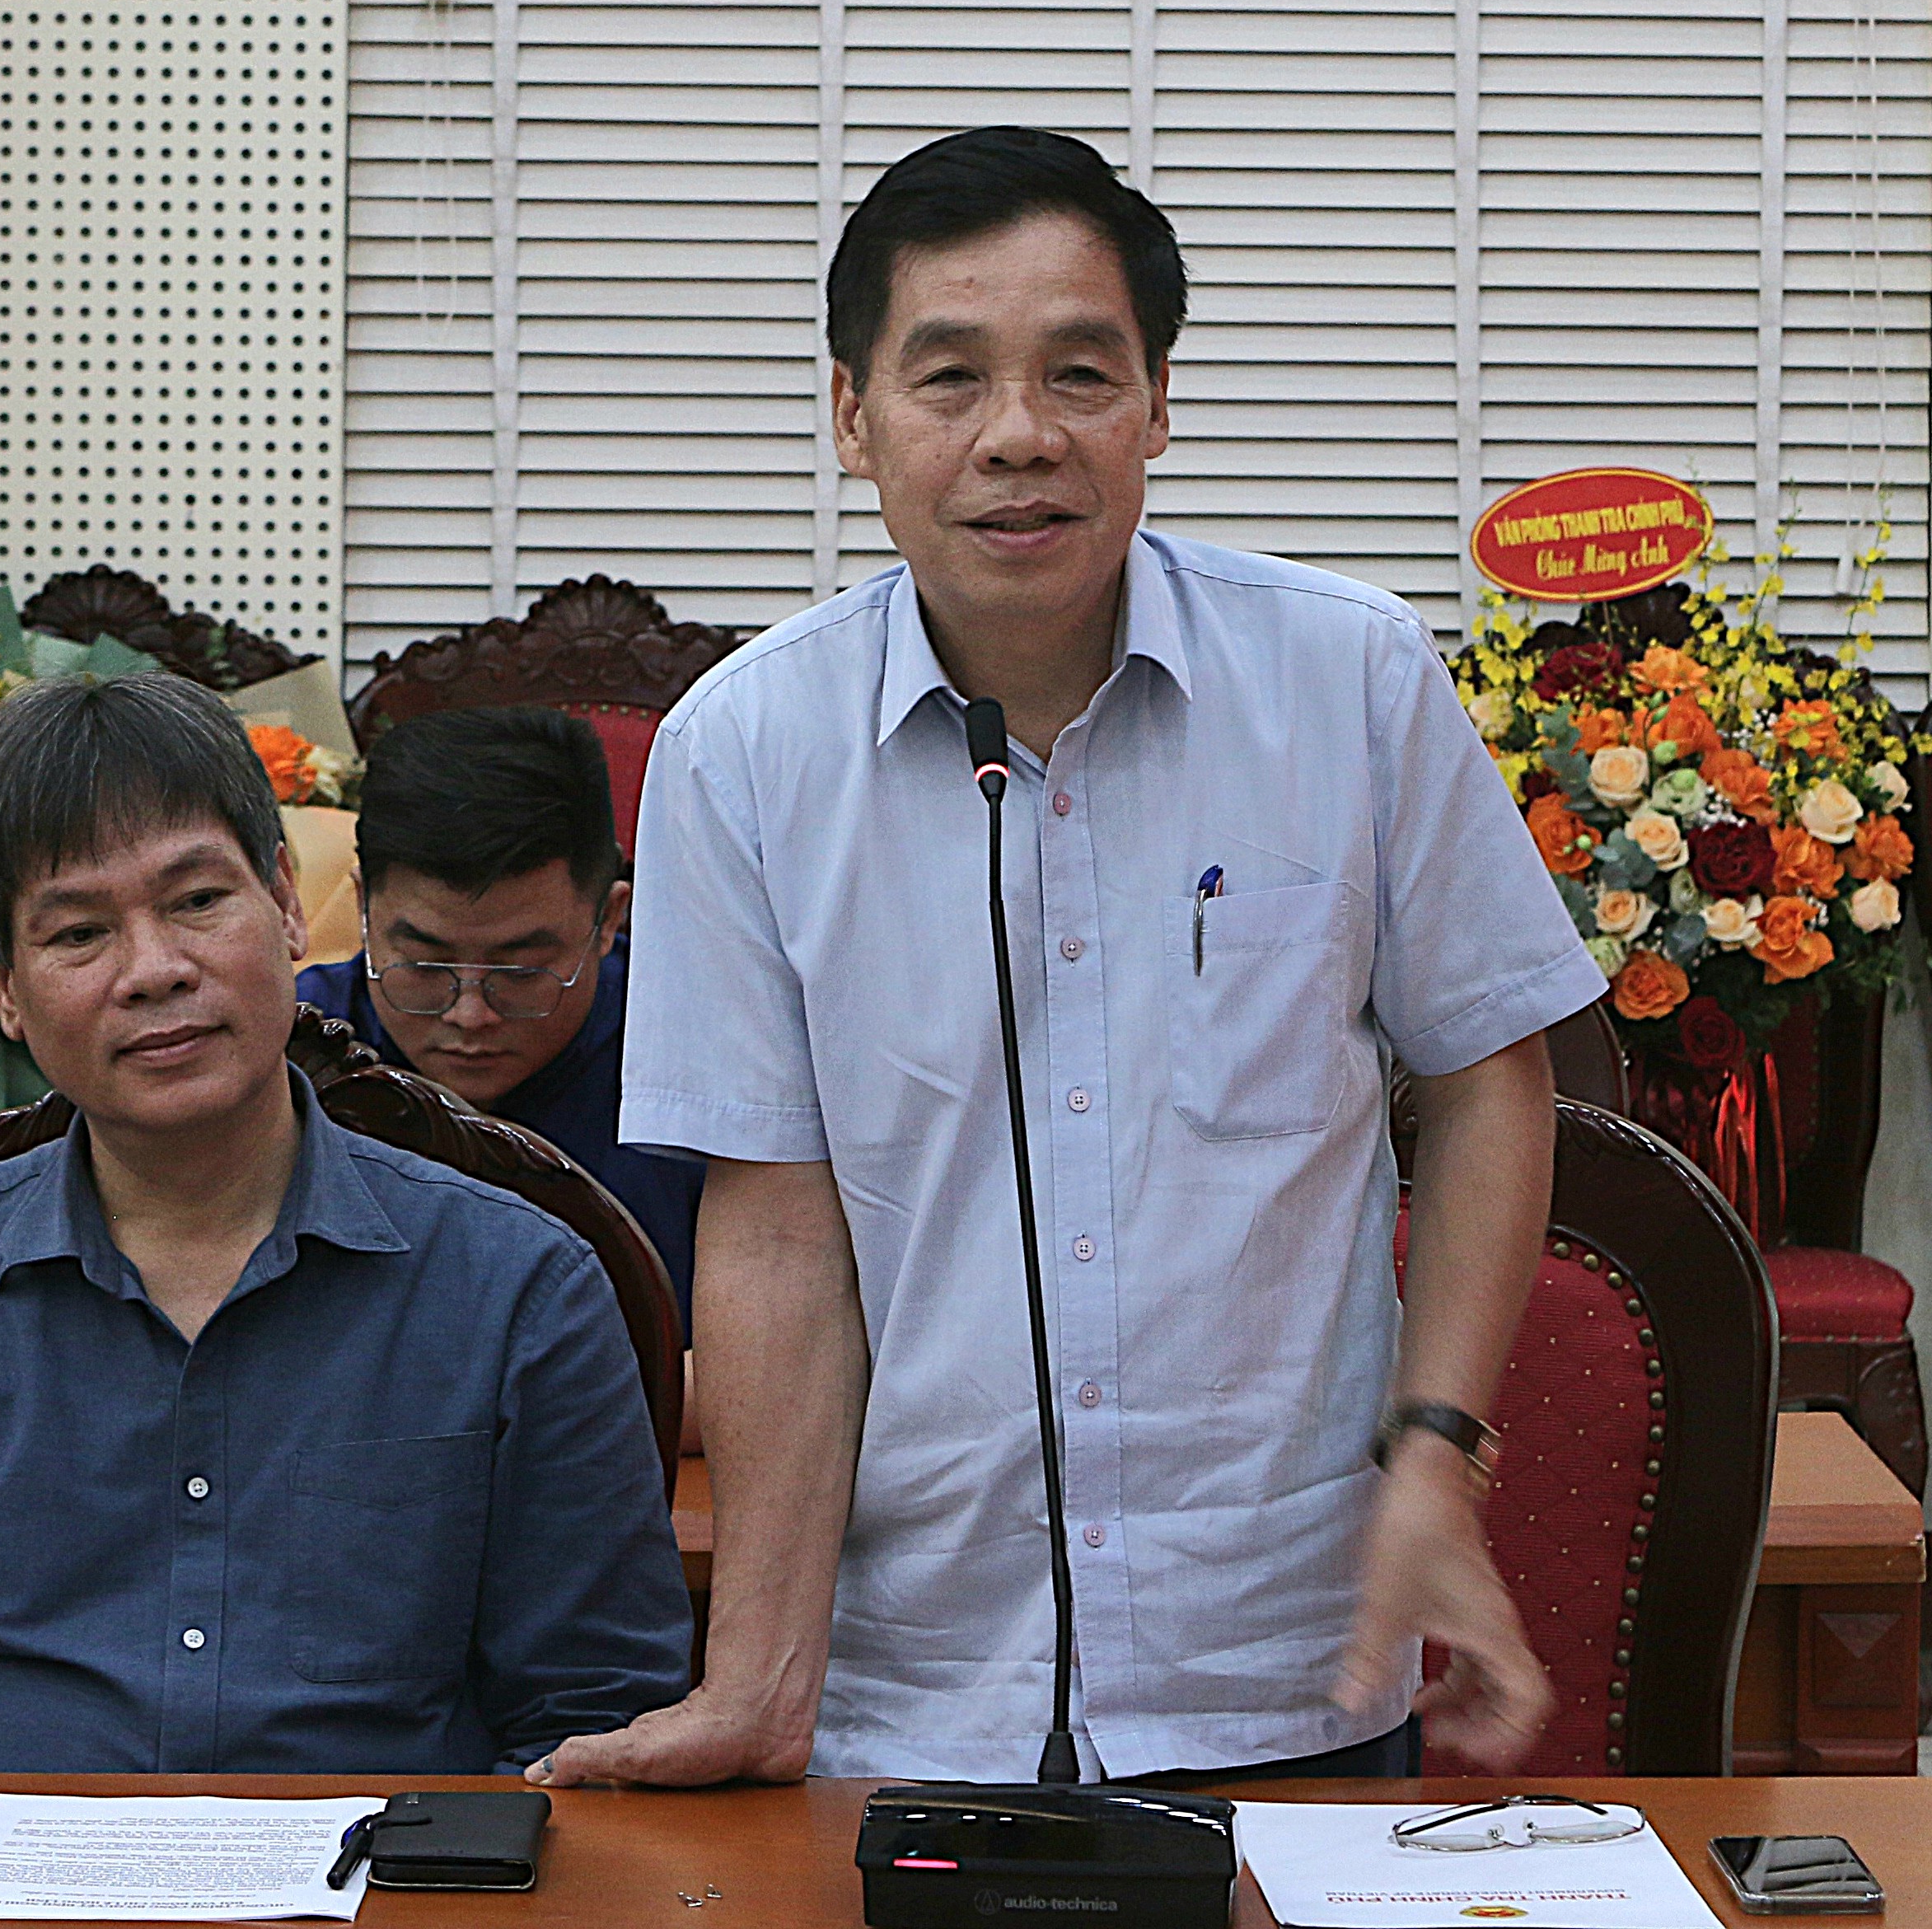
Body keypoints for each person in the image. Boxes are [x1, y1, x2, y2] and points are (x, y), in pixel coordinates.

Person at [538, 127, 1607, 1792]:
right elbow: (775, 1232)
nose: (1019, 435)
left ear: (1157, 405)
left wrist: (1437, 1452)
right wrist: (758, 1675)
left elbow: (1486, 1078)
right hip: (922, 1683)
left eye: (1081, 375)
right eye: (950, 377)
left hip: (1287, 1652)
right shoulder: (742, 751)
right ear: (853, 416)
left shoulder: (1352, 680)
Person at [0, 669, 691, 1774]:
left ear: (286, 902)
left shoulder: (518, 1288)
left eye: (196, 902)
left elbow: (592, 1724)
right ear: (5, 986)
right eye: (79, 933)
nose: (155, 970)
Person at [298, 707, 702, 1323]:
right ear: (363, 908)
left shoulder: (699, 1053)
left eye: (520, 973)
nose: (470, 1015)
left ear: (608, 920)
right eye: (426, 966)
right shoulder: (292, 1054)